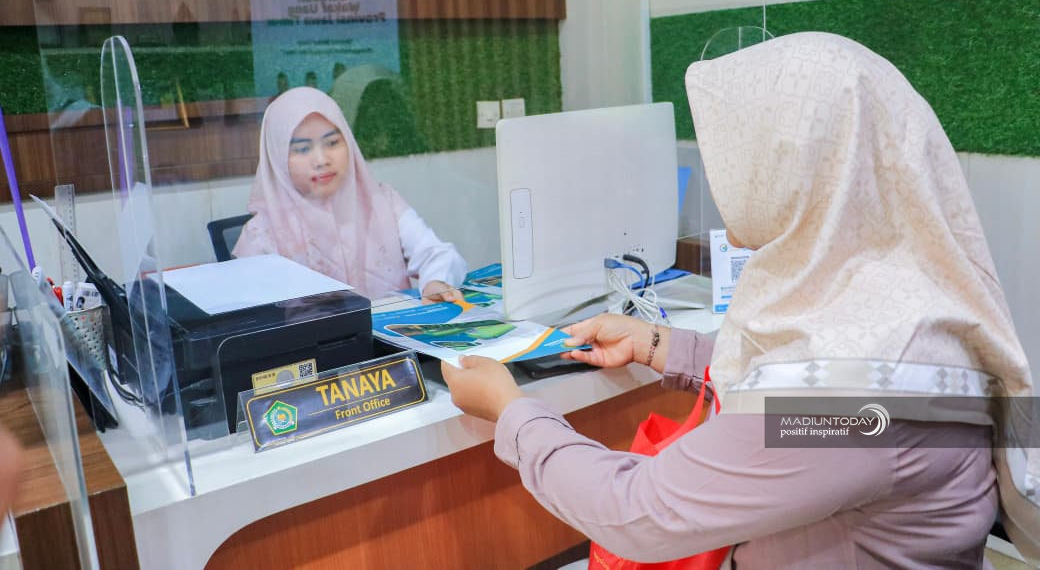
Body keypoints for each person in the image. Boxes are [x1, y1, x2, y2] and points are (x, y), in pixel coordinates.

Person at [442, 32, 1040, 567]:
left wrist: (511, 411)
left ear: (796, 167)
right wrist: (661, 344)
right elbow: (797, 389)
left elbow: (638, 511)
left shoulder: (848, 408)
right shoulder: (908, 302)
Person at [233, 87, 466, 302]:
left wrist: (435, 282)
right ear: (277, 158)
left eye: (332, 142)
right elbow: (250, 313)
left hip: (390, 333)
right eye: (303, 149)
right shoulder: (261, 234)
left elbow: (436, 253)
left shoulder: (382, 202)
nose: (322, 160)